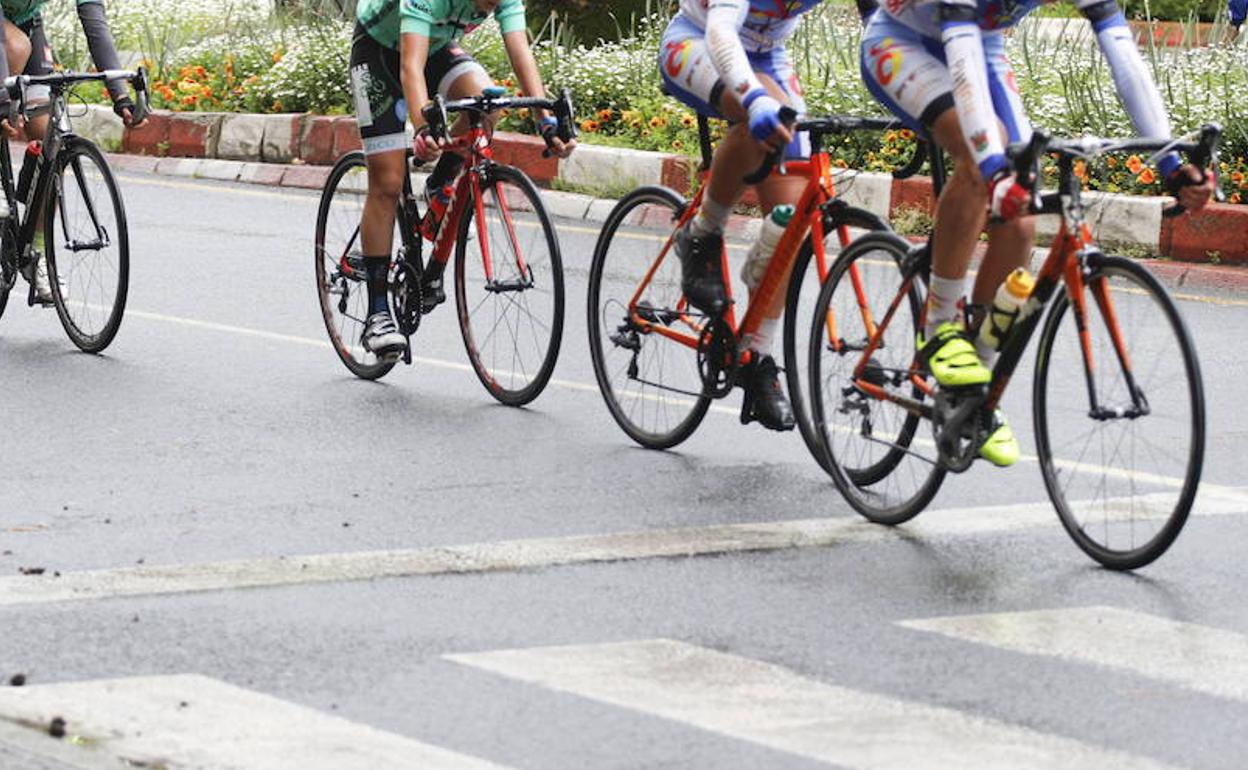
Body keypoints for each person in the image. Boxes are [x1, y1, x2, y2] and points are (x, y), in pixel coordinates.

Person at [860, 0, 1215, 467]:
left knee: (1022, 216)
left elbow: (1122, 51)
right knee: (979, 158)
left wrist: (1171, 163)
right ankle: (940, 328)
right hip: (903, 44)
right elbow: (964, 73)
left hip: (982, 46)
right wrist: (992, 167)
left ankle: (974, 393)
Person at [350, 0, 575, 360]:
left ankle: (440, 185)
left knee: (487, 108)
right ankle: (377, 313)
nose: (492, 6)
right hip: (378, 52)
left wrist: (545, 120)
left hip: (433, 47)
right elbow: (410, 66)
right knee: (388, 182)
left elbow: (520, 53)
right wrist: (424, 128)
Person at [658, 0, 824, 432]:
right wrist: (753, 97)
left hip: (767, 56)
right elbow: (720, 32)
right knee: (754, 114)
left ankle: (756, 355)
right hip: (699, 40)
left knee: (794, 218)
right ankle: (701, 232)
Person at [0, 0, 143, 305]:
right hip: (10, 36)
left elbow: (94, 22)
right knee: (16, 48)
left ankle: (36, 254)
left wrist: (120, 94)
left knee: (47, 135)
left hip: (25, 23)